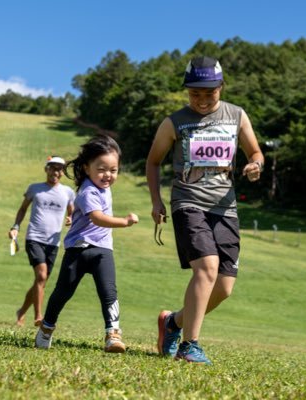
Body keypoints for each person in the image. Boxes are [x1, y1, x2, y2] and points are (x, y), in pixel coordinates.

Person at [146, 56, 264, 365]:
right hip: (188, 201)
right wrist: (156, 201)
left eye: (208, 93)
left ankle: (172, 322)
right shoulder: (174, 122)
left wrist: (255, 165)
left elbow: (255, 151)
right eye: (194, 93)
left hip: (225, 207)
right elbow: (153, 161)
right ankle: (190, 346)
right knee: (207, 267)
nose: (200, 100)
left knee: (224, 287)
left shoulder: (237, 116)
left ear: (221, 87)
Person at [35, 135, 139, 353]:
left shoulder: (104, 187)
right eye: (101, 169)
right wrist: (125, 222)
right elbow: (97, 218)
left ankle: (113, 334)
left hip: (102, 250)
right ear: (86, 168)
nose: (108, 175)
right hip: (78, 251)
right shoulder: (87, 191)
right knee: (63, 292)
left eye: (113, 170)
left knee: (108, 291)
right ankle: (46, 327)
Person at [9, 156, 75, 327]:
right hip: (34, 238)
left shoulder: (67, 192)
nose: (56, 172)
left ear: (62, 173)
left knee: (41, 281)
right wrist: (16, 226)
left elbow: (72, 212)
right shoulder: (35, 189)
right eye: (52, 168)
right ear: (46, 169)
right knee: (41, 275)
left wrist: (70, 218)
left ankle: (21, 312)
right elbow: (23, 209)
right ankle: (39, 316)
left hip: (53, 242)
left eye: (59, 169)